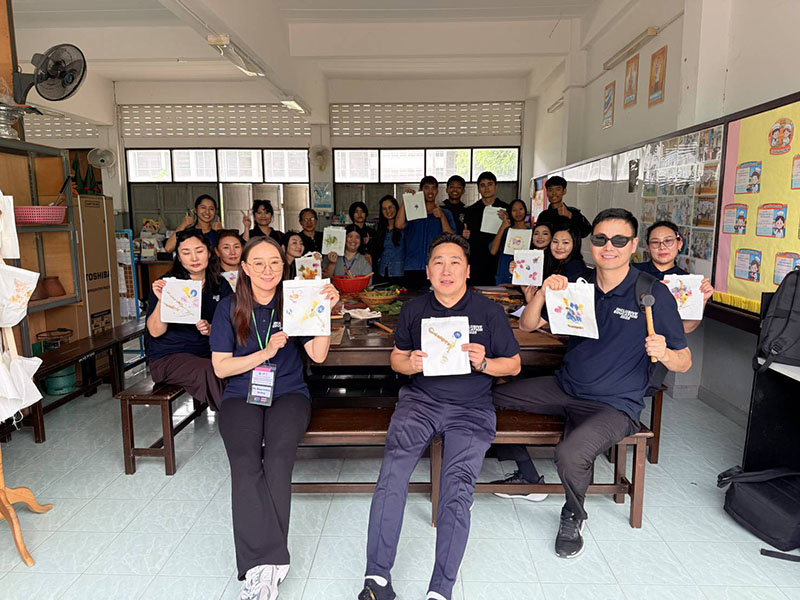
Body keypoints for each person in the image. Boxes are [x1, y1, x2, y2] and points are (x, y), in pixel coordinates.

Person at [492, 208, 690, 559]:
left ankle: (573, 512)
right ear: (592, 244)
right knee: (489, 398)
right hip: (565, 388)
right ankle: (527, 477)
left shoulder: (652, 295)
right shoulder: (577, 287)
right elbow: (527, 325)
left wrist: (664, 353)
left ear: (632, 247)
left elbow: (684, 360)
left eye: (618, 240)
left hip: (615, 405)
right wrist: (540, 293)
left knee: (570, 454)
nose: (608, 247)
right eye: (601, 239)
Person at [358, 233, 521, 600]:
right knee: (392, 476)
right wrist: (408, 362)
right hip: (420, 402)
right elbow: (395, 358)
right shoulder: (415, 310)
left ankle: (440, 590)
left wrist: (484, 362)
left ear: (467, 269)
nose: (446, 270)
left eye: (454, 262)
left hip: (471, 409)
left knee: (456, 490)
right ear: (428, 271)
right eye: (438, 263)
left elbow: (513, 364)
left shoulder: (489, 311)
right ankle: (377, 579)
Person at [210, 236, 339, 600]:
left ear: (284, 268)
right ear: (245, 269)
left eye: (275, 263)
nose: (268, 270)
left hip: (288, 394)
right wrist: (265, 352)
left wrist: (323, 312)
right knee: (246, 463)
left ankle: (263, 568)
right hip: (240, 394)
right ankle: (265, 566)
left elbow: (318, 355)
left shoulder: (297, 300)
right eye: (259, 263)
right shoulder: (229, 307)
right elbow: (221, 367)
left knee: (279, 460)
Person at [146, 229, 232, 411]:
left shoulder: (219, 284)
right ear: (179, 257)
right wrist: (164, 299)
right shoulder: (167, 283)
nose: (194, 258)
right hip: (168, 358)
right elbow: (155, 331)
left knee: (236, 364)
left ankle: (257, 410)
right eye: (186, 252)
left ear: (209, 252)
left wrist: (211, 329)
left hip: (205, 351)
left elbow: (230, 323)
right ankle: (237, 420)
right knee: (210, 370)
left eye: (199, 251)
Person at [632, 220, 714, 334]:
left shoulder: (687, 281)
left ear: (679, 244)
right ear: (648, 247)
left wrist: (702, 300)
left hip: (665, 347)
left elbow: (685, 328)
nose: (662, 247)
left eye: (668, 241)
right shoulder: (632, 272)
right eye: (655, 242)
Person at [395, 175, 455, 290]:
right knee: (412, 301)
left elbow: (451, 237)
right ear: (420, 191)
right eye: (426, 188)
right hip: (412, 266)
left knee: (436, 302)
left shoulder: (445, 213)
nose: (430, 191)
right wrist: (406, 201)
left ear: (437, 191)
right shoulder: (412, 211)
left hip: (437, 266)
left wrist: (441, 217)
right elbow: (398, 225)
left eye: (433, 188)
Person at [463, 171, 509, 285]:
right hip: (477, 260)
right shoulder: (471, 210)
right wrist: (465, 235)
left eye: (490, 184)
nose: (486, 188)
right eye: (482, 185)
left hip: (499, 261)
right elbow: (466, 235)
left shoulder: (506, 209)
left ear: (496, 186)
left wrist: (507, 219)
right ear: (478, 189)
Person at [490, 199, 530, 285]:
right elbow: (493, 251)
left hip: (524, 277)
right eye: (514, 210)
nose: (518, 212)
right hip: (504, 275)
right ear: (510, 213)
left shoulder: (531, 232)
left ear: (525, 210)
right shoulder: (506, 231)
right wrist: (503, 226)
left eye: (521, 209)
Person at [374, 195, 405, 285]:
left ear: (396, 207)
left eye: (390, 207)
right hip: (382, 272)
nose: (388, 211)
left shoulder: (404, 226)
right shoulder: (380, 228)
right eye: (384, 209)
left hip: (399, 273)